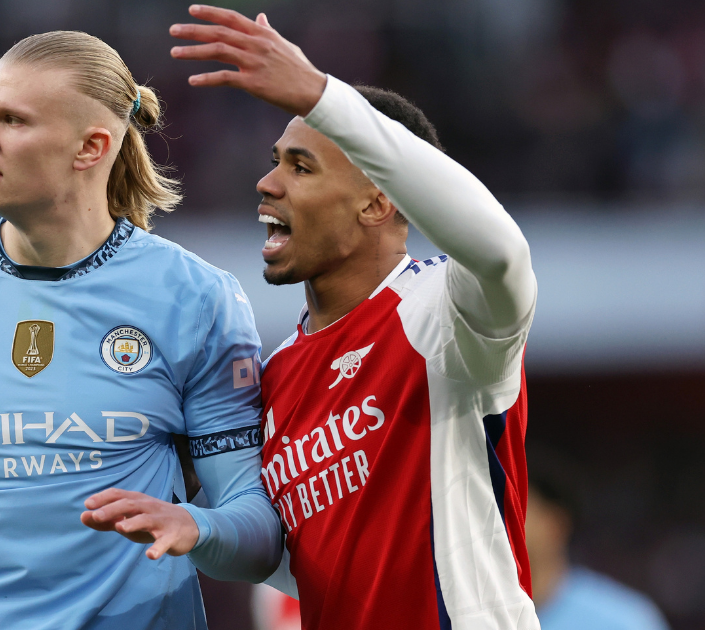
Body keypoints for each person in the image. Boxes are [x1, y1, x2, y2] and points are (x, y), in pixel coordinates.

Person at [0, 30, 282, 630]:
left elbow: (257, 532)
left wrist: (195, 526)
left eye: (13, 120)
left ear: (91, 147)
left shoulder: (196, 298)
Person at [171, 5, 540, 629]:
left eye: (301, 166)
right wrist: (195, 526)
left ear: (378, 202)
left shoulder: (443, 315)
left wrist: (322, 96)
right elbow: (298, 561)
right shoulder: (277, 374)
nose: (266, 182)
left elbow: (503, 251)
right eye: (275, 160)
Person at [528, 468, 671, 630]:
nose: (499, 522)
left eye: (514, 508)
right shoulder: (494, 614)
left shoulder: (624, 621)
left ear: (555, 524)